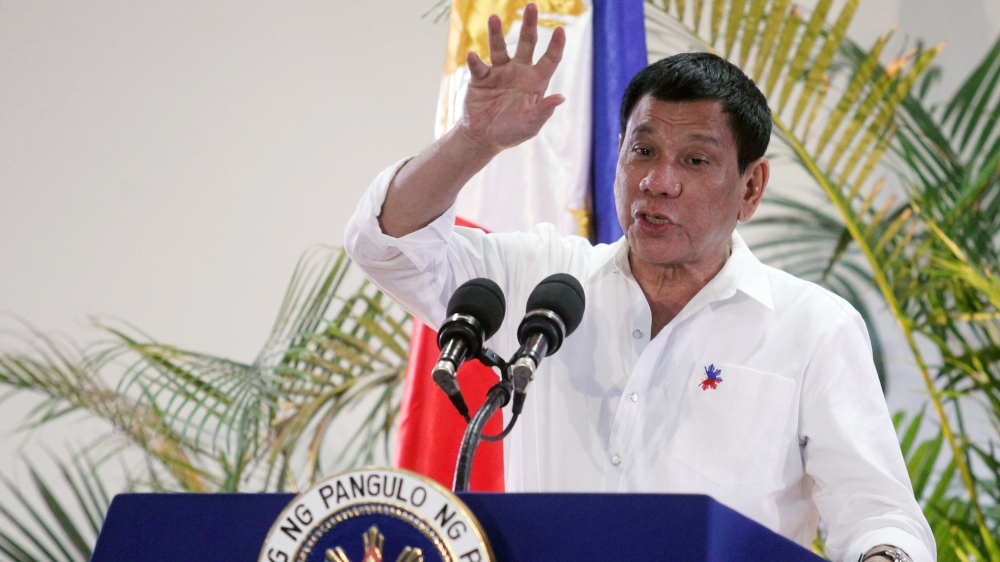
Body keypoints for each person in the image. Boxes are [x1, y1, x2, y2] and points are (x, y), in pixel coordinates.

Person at [344, 4, 934, 561]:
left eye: (695, 161)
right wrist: (471, 141)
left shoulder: (813, 327)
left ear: (750, 188)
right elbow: (388, 246)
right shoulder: (542, 281)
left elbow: (877, 512)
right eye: (642, 150)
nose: (658, 181)